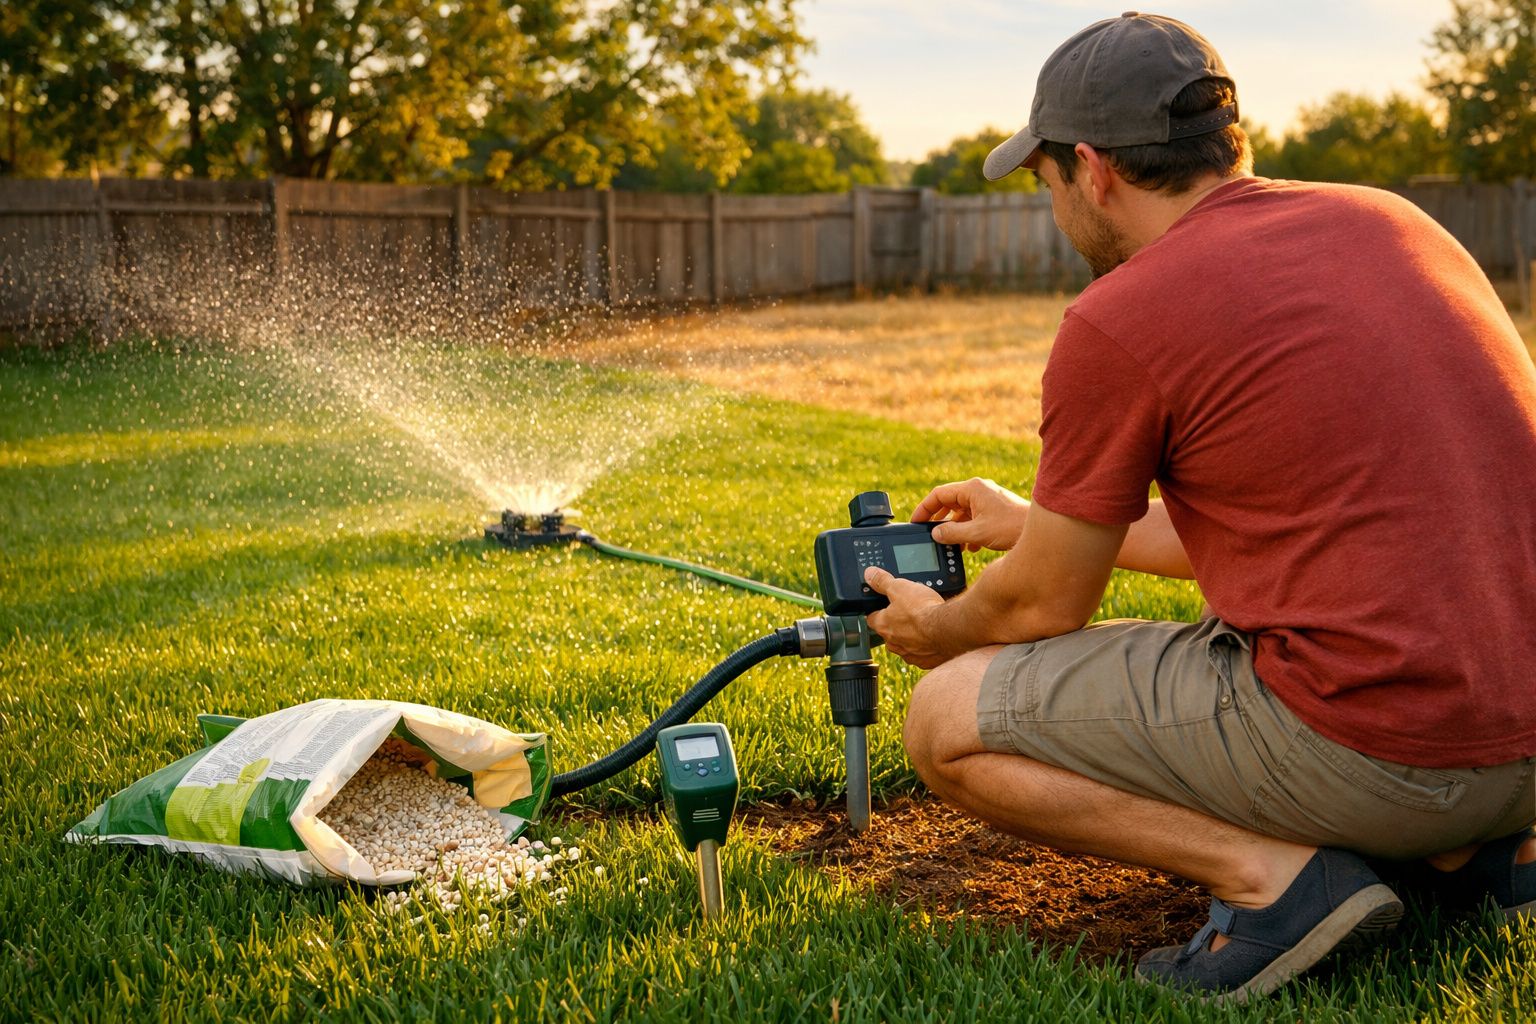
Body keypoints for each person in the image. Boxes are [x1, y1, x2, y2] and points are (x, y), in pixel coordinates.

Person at [862, 10, 1536, 1004]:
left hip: (1392, 756)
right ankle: (1472, 859)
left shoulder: (1122, 314)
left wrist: (941, 626)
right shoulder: (1392, 223)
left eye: (1046, 181)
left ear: (1093, 170)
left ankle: (1276, 883)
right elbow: (1301, 518)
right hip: (1517, 743)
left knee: (945, 721)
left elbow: (1040, 610)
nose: (1055, 208)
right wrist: (1028, 516)